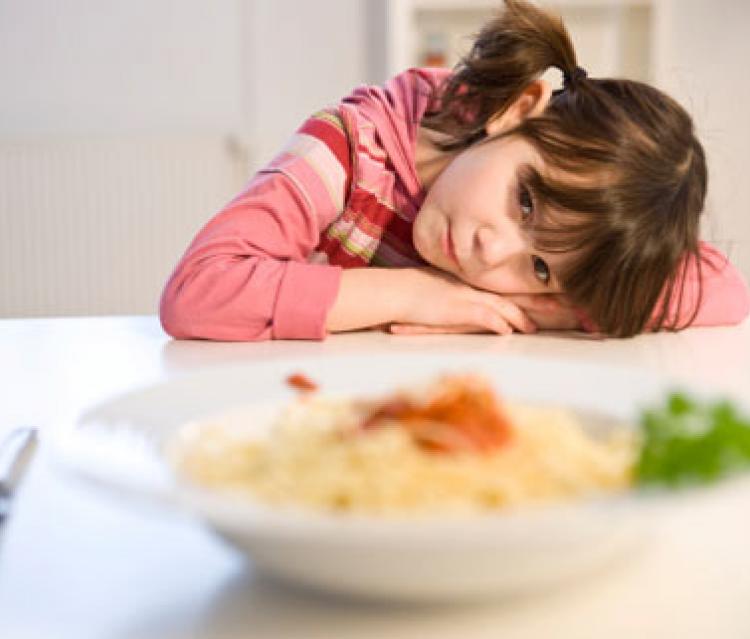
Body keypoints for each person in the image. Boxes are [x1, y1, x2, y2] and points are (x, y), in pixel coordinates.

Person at [160, 0, 749, 342]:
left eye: (539, 266)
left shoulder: (530, 250)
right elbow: (198, 293)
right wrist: (413, 295)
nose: (491, 253)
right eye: (525, 203)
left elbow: (726, 292)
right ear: (518, 111)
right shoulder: (348, 150)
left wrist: (553, 305)